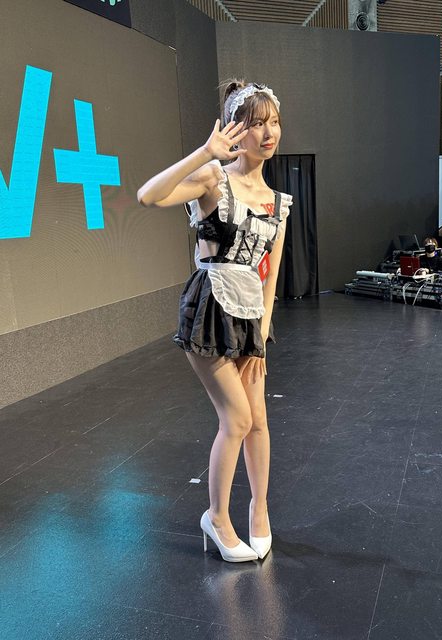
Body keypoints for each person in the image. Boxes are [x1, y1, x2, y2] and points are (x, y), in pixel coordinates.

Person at [137, 80, 292, 562]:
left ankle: (259, 510)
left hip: (250, 315)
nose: (268, 133)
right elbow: (147, 196)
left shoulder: (279, 202)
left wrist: (262, 334)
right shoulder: (212, 178)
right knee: (237, 419)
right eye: (257, 123)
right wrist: (205, 151)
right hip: (209, 306)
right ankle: (217, 518)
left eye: (274, 123)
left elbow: (271, 275)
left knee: (258, 420)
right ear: (236, 129)